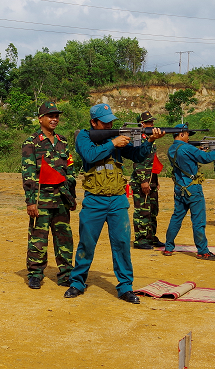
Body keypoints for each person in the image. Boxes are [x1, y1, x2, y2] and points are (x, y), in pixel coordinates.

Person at [65, 104, 161, 304]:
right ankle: (77, 282)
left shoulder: (114, 138)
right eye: (105, 121)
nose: (109, 124)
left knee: (122, 243)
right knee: (87, 242)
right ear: (93, 122)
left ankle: (125, 287)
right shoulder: (83, 136)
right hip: (94, 198)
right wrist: (113, 143)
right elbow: (90, 155)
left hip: (117, 198)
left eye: (111, 121)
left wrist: (149, 141)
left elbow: (137, 155)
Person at [21, 100, 77, 289]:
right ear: (40, 119)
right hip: (41, 199)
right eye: (50, 116)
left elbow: (70, 169)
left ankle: (66, 274)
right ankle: (35, 274)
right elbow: (28, 173)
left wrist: (71, 195)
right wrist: (30, 202)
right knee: (38, 238)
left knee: (64, 239)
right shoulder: (31, 143)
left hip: (61, 199)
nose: (54, 119)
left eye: (56, 116)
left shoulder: (63, 142)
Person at [163, 124, 215, 261]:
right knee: (198, 221)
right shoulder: (188, 148)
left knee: (176, 217)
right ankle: (202, 251)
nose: (189, 137)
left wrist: (199, 150)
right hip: (193, 189)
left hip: (179, 188)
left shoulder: (172, 148)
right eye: (188, 134)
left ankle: (168, 247)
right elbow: (206, 158)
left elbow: (186, 158)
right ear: (182, 134)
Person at [131, 111, 164, 249]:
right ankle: (141, 239)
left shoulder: (150, 138)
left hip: (151, 180)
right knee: (142, 210)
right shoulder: (138, 138)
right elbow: (138, 161)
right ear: (142, 124)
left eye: (152, 122)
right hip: (142, 181)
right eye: (149, 122)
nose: (152, 124)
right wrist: (144, 181)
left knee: (152, 210)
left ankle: (150, 236)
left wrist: (154, 180)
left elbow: (151, 161)